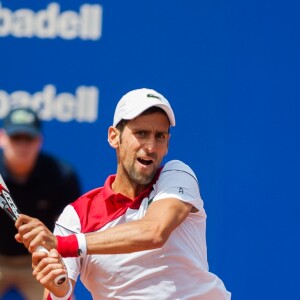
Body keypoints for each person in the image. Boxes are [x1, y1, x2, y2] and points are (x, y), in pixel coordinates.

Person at [15, 88, 231, 299]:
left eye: (160, 136)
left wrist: (63, 244)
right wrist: (58, 288)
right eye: (141, 134)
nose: (151, 146)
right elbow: (59, 292)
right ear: (113, 137)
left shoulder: (177, 175)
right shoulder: (76, 217)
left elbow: (154, 232)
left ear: (167, 145)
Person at [0, 107, 81, 300]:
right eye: (15, 138)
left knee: (63, 295)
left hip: (37, 259)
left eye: (28, 138)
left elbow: (69, 232)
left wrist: (53, 262)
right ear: (2, 138)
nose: (22, 145)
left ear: (39, 141)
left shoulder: (61, 175)